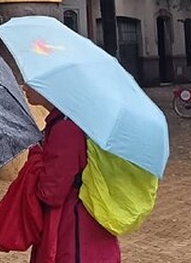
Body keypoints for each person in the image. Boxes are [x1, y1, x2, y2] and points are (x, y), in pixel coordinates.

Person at [22, 84, 121, 263]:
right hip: (89, 231)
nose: (25, 87)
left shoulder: (66, 128)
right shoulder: (75, 120)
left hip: (74, 234)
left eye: (31, 82)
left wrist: (36, 153)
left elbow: (51, 193)